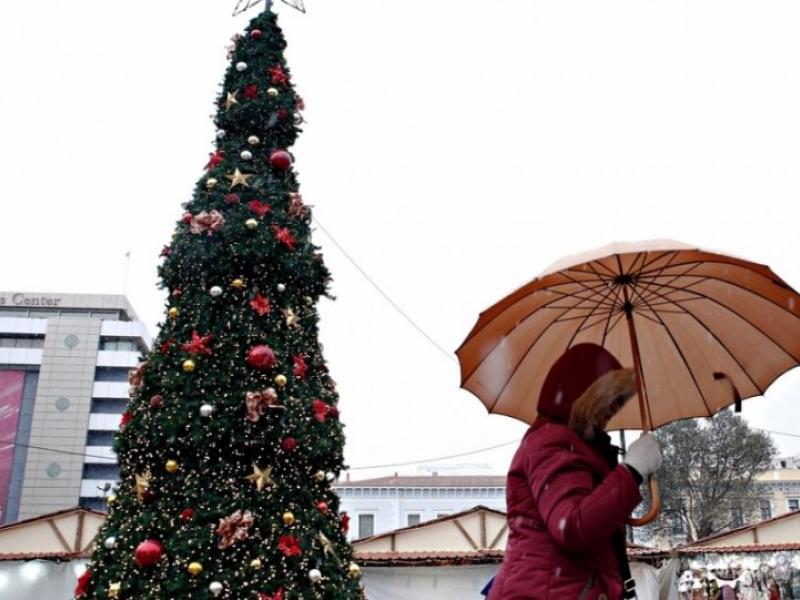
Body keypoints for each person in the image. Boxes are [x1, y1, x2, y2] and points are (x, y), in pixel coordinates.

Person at [487, 343, 662, 600]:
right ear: (583, 397)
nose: (611, 413)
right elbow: (573, 527)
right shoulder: (553, 441)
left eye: (617, 404)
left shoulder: (577, 445)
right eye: (608, 402)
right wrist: (632, 470)